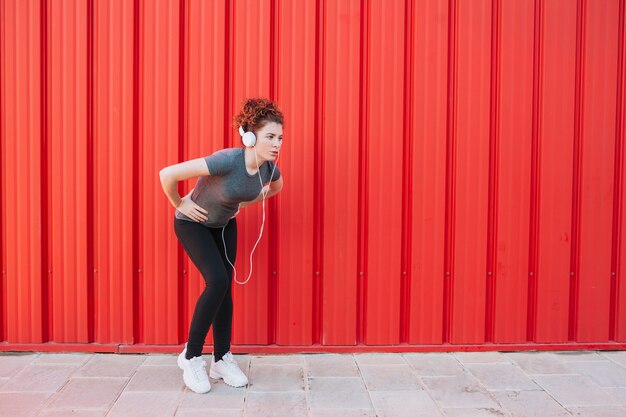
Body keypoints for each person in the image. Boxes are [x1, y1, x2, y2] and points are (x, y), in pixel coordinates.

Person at [159, 97, 284, 393]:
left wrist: (242, 203)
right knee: (216, 281)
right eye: (270, 136)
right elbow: (168, 174)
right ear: (250, 137)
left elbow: (276, 187)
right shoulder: (227, 160)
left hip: (224, 225)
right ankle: (191, 356)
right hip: (193, 224)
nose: (277, 143)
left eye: (279, 137)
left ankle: (221, 358)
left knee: (226, 285)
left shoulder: (269, 169)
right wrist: (181, 204)